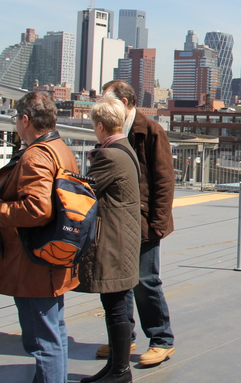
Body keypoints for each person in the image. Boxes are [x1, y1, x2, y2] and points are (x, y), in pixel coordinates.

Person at [0, 92, 80, 382]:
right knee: (54, 334)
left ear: (26, 120)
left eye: (16, 119)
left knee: (42, 341)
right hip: (54, 256)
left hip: (33, 264)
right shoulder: (60, 149)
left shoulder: (36, 155)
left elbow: (38, 208)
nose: (15, 125)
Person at [101, 81, 176, 366]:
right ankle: (123, 339)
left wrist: (158, 224)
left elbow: (165, 180)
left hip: (144, 222)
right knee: (119, 282)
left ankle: (162, 340)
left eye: (107, 100)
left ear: (123, 101)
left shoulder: (151, 130)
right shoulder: (112, 128)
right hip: (118, 220)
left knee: (145, 281)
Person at [79, 95, 141, 383]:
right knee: (115, 306)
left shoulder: (108, 155)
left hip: (113, 241)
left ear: (100, 126)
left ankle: (120, 371)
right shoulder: (125, 148)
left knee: (115, 308)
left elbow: (84, 191)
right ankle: (115, 366)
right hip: (123, 238)